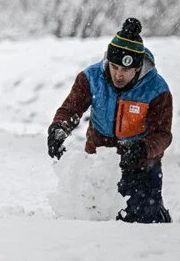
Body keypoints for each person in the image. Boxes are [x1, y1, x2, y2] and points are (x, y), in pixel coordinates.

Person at [46, 17, 173, 223]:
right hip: (100, 156)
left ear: (138, 68)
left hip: (141, 162)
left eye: (125, 70)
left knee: (143, 220)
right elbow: (71, 108)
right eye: (114, 67)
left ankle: (157, 212)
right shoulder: (91, 77)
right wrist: (58, 128)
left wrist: (144, 149)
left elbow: (163, 135)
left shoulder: (157, 90)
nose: (118, 75)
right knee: (97, 216)